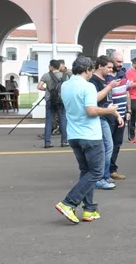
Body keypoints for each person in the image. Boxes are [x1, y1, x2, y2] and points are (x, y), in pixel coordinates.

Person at [54, 56, 123, 224]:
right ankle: (69, 202)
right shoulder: (88, 86)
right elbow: (91, 111)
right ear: (87, 70)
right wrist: (110, 110)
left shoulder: (65, 85)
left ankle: (89, 209)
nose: (92, 73)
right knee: (97, 172)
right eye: (91, 70)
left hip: (73, 135)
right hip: (90, 135)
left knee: (86, 171)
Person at [89, 56, 123, 190]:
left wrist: (117, 114)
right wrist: (109, 86)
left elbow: (108, 102)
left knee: (107, 147)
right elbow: (95, 98)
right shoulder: (93, 81)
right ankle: (102, 177)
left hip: (107, 116)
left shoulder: (105, 80)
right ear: (99, 66)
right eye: (108, 67)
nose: (111, 70)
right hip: (99, 117)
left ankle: (103, 176)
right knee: (108, 147)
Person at [107, 52, 131, 181]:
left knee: (117, 144)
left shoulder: (123, 74)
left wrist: (128, 111)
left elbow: (127, 94)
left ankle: (112, 170)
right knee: (107, 144)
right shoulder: (106, 77)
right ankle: (104, 172)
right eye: (118, 62)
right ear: (111, 61)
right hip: (110, 116)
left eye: (121, 62)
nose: (120, 64)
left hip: (122, 115)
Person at [38, 59, 68, 148]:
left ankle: (47, 142)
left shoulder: (46, 75)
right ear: (59, 66)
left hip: (49, 99)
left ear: (51, 66)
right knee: (63, 120)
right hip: (61, 100)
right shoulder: (65, 75)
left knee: (49, 120)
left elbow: (39, 86)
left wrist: (47, 90)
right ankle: (64, 141)